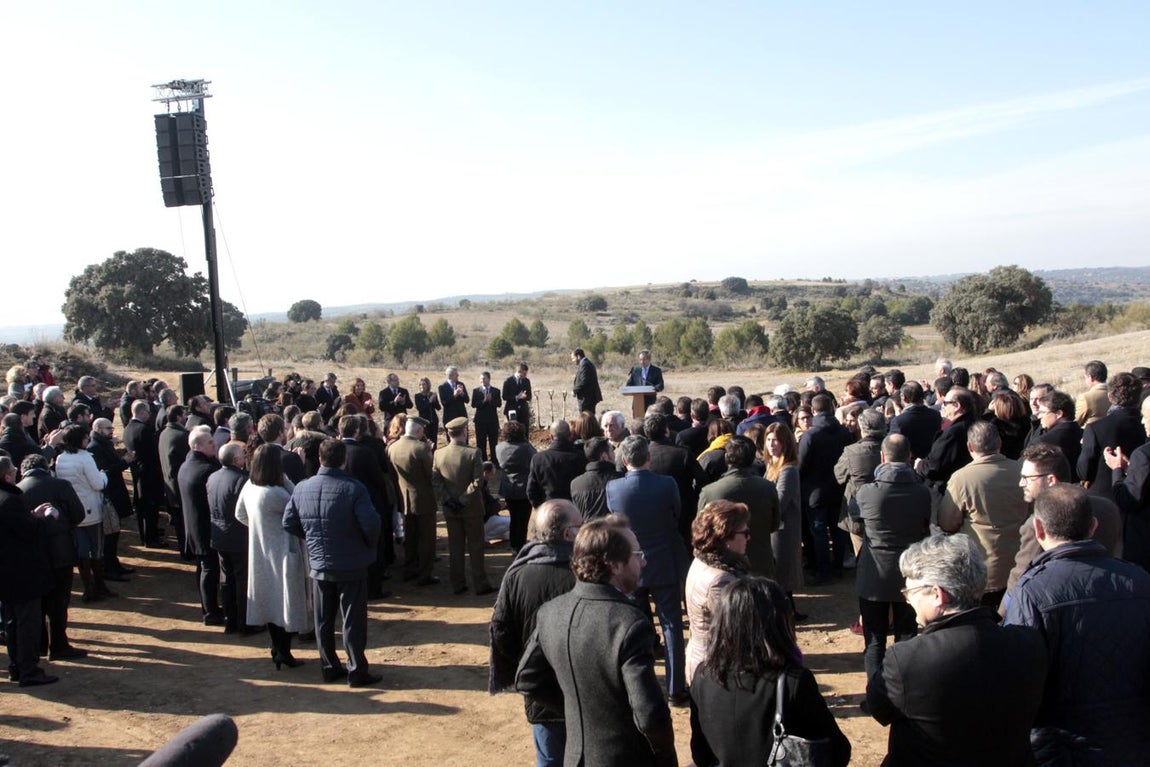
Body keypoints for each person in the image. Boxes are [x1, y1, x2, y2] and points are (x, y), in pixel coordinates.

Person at [867, 534, 1047, 766]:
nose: (908, 601)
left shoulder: (906, 659)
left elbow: (879, 709)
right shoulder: (1029, 643)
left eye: (910, 592)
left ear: (937, 594)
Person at [516, 515, 678, 767]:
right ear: (614, 564)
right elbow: (650, 715)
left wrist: (578, 710)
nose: (643, 562)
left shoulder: (550, 612)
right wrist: (666, 756)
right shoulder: (629, 623)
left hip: (575, 757)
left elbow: (527, 678)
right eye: (637, 554)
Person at [1005, 484, 1150, 765]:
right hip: (1133, 743)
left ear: (1038, 529)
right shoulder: (1141, 581)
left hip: (1062, 748)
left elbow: (1020, 679)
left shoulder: (1032, 591)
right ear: (1093, 526)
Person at [690, 576, 851, 767]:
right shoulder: (793, 681)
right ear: (777, 624)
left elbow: (700, 754)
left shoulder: (703, 677)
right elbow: (837, 750)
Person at [283, 438, 382, 688]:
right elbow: (371, 524)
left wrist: (312, 538)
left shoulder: (302, 488)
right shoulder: (354, 488)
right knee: (352, 621)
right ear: (344, 460)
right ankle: (356, 669)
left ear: (319, 459)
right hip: (351, 564)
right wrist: (366, 545)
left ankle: (329, 666)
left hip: (319, 565)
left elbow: (289, 522)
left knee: (324, 621)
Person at [488, 500, 580, 767]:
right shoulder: (584, 573)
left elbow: (500, 629)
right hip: (581, 688)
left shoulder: (516, 573)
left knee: (549, 759)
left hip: (539, 689)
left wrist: (523, 665)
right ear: (567, 534)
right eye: (580, 526)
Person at [605, 435, 689, 706]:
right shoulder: (667, 484)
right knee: (672, 625)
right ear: (649, 458)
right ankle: (676, 689)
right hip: (664, 561)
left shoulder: (614, 488)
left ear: (624, 460)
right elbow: (676, 513)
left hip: (631, 566)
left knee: (635, 629)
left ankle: (642, 690)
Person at [847, 434, 930, 682]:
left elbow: (854, 523)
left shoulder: (866, 493)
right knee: (907, 636)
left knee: (874, 640)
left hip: (874, 573)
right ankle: (906, 691)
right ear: (909, 457)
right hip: (911, 573)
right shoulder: (922, 492)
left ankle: (876, 694)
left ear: (882, 457)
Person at [1003, 443, 1123, 603]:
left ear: (1051, 480)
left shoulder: (1038, 522)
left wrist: (1002, 617)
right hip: (1112, 597)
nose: (1021, 484)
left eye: (1027, 478)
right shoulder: (1108, 508)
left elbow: (1019, 578)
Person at [937, 421, 1029, 609]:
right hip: (1022, 562)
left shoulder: (962, 478)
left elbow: (947, 522)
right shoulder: (1023, 470)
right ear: (1000, 443)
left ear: (969, 446)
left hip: (984, 570)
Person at [235, 444, 310, 671]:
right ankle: (283, 651)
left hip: (260, 551)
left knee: (270, 602)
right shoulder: (276, 493)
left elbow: (240, 514)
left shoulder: (249, 486)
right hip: (283, 553)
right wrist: (285, 479)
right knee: (283, 604)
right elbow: (299, 503)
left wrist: (260, 530)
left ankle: (278, 649)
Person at [17, 453, 86, 660]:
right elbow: (78, 514)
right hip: (60, 552)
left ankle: (40, 644)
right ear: (46, 467)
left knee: (39, 601)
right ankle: (58, 645)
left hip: (32, 556)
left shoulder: (18, 491)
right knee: (58, 602)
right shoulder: (61, 485)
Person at [0, 455, 58, 687]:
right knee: (27, 623)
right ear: (6, 475)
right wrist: (46, 518)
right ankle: (28, 670)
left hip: (6, 572)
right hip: (22, 573)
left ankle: (16, 666)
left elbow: (15, 526)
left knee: (13, 622)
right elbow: (30, 532)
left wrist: (31, 515)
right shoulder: (10, 501)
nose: (16, 471)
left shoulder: (7, 500)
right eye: (13, 469)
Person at [684, 500, 750, 683]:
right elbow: (738, 631)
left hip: (702, 661)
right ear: (724, 537)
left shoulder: (701, 560)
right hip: (715, 671)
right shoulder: (720, 580)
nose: (748, 538)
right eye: (744, 533)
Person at [697, 436, 780, 577]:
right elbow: (774, 525)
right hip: (761, 563)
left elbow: (701, 531)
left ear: (726, 458)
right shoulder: (768, 488)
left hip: (725, 567)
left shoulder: (710, 491)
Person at [433, 417, 494, 596]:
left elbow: (436, 481)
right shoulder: (473, 453)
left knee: (455, 546)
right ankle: (480, 584)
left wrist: (448, 500)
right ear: (464, 432)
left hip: (450, 509)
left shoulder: (438, 454)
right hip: (471, 509)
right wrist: (463, 500)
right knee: (475, 546)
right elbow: (477, 481)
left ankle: (457, 583)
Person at [54, 425, 113, 603]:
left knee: (81, 551)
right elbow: (97, 484)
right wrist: (104, 476)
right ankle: (99, 586)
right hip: (90, 508)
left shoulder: (60, 458)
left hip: (72, 510)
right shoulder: (86, 459)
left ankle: (89, 588)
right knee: (96, 550)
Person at [798, 393, 852, 583]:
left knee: (819, 532)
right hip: (839, 488)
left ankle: (823, 570)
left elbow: (801, 465)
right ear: (831, 409)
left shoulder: (810, 435)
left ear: (813, 411)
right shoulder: (845, 433)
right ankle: (838, 567)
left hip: (814, 491)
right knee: (838, 530)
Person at [179, 426, 225, 626]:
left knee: (203, 567)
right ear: (197, 446)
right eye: (210, 443)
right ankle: (210, 612)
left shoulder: (187, 465)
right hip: (204, 527)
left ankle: (208, 607)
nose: (214, 444)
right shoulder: (205, 470)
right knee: (209, 569)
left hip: (193, 525)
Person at [388, 415, 440, 586]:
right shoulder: (421, 448)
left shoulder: (392, 447)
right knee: (426, 539)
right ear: (418, 431)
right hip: (423, 499)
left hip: (404, 498)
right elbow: (431, 475)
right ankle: (425, 574)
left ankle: (409, 569)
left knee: (410, 537)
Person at [207, 442, 253, 634]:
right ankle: (244, 623)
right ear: (236, 460)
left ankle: (230, 620)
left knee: (227, 580)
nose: (245, 457)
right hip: (238, 538)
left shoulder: (213, 477)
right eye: (243, 454)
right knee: (242, 581)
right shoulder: (241, 480)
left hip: (219, 537)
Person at [1079, 372, 1146, 496]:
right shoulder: (1145, 422)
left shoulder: (1095, 428)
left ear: (1110, 397)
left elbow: (1084, 472)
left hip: (1106, 499)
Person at [1104, 393, 1150, 570]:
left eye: (1145, 417)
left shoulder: (1144, 454)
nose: (1142, 422)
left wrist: (1116, 470)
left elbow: (1127, 499)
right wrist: (1132, 469)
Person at [764, 422, 804, 618]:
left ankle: (787, 612)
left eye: (776, 441)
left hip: (783, 528)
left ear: (785, 443)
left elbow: (780, 500)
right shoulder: (772, 464)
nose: (771, 444)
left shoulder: (788, 470)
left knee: (783, 571)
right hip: (776, 527)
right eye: (769, 440)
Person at [494, 420, 536, 552]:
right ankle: (521, 545)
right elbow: (534, 457)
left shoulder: (499, 447)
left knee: (514, 517)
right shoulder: (525, 448)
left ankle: (513, 545)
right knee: (523, 520)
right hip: (523, 487)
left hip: (508, 488)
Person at [526, 420, 585, 507]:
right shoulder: (581, 457)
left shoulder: (538, 459)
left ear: (551, 437)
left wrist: (540, 508)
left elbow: (531, 490)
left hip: (549, 507)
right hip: (574, 508)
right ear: (569, 435)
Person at [1027, 389, 1083, 479]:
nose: (1039, 416)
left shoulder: (1042, 442)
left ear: (1058, 414)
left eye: (1043, 412)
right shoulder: (1086, 434)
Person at [569, 436, 618, 522]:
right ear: (604, 457)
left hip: (588, 532)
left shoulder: (575, 484)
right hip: (614, 531)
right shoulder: (619, 480)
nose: (614, 454)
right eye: (612, 451)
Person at [471, 371, 502, 465]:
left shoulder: (496, 391)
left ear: (489, 379)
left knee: (494, 442)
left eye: (484, 378)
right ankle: (482, 462)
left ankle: (495, 461)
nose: (482, 380)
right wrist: (484, 401)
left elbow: (499, 404)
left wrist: (491, 400)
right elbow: (473, 404)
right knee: (481, 443)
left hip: (492, 421)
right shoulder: (476, 391)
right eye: (481, 379)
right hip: (480, 421)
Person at [1075, 360, 1110, 427]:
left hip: (1091, 435)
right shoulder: (1116, 393)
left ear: (1091, 377)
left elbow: (1076, 423)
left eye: (1085, 377)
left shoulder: (1085, 398)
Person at [438, 366, 469, 434]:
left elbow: (467, 400)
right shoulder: (442, 387)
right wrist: (454, 396)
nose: (458, 375)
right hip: (450, 418)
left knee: (464, 440)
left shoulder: (461, 384)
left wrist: (462, 393)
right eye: (456, 374)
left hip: (461, 417)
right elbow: (444, 403)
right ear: (450, 376)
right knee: (451, 440)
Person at [571, 348, 602, 415]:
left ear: (578, 356)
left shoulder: (585, 365)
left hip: (587, 398)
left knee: (586, 418)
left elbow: (584, 381)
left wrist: (575, 390)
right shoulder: (585, 363)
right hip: (588, 398)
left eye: (573, 358)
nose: (573, 360)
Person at [501, 362, 532, 428]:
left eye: (526, 374)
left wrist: (525, 397)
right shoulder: (508, 381)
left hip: (523, 411)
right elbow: (504, 396)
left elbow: (529, 396)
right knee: (513, 431)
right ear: (519, 371)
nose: (525, 375)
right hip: (511, 409)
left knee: (524, 431)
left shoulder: (526, 381)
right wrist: (516, 397)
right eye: (524, 374)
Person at [413, 377, 440, 450]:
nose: (422, 386)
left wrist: (434, 400)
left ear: (428, 385)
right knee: (425, 440)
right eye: (420, 384)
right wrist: (430, 401)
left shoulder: (431, 394)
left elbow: (438, 408)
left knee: (434, 440)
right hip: (424, 422)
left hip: (434, 421)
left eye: (424, 384)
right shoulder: (417, 396)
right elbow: (421, 408)